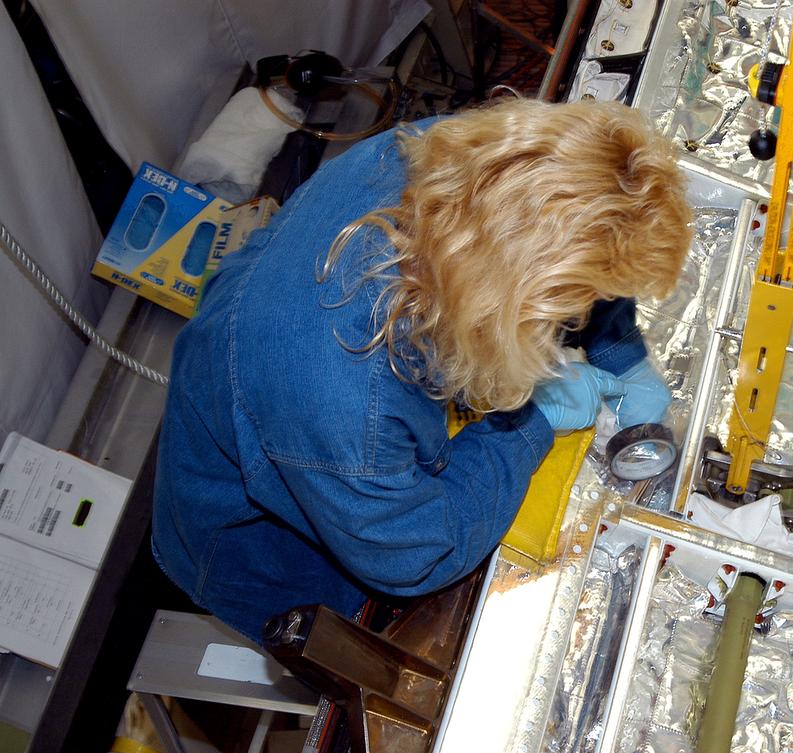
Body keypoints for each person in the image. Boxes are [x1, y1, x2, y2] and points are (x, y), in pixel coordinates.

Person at [151, 98, 692, 640]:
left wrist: (621, 352)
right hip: (263, 540)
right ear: (498, 295)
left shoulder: (459, 156)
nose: (582, 309)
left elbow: (576, 241)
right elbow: (415, 554)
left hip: (283, 375)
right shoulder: (344, 397)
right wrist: (530, 427)